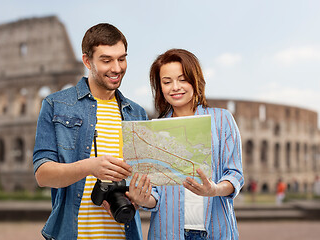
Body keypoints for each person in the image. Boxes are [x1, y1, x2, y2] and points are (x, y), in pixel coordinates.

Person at [32, 23, 148, 240]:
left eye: (122, 59)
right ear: (87, 61)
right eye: (106, 60)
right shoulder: (55, 105)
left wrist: (139, 197)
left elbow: (145, 182)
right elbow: (42, 174)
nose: (116, 68)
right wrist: (90, 167)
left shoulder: (137, 113)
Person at [134, 49, 244, 240]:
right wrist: (143, 198)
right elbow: (156, 195)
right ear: (160, 87)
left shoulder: (222, 120)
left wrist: (214, 189)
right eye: (167, 82)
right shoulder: (154, 130)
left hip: (216, 231)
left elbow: (235, 174)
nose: (175, 87)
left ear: (195, 80)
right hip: (167, 233)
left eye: (182, 79)